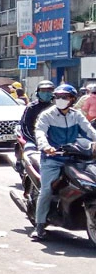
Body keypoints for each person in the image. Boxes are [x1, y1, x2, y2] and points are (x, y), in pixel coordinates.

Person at [33, 84, 96, 239]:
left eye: (65, 97)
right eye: (58, 97)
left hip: (75, 158)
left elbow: (89, 130)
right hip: (53, 159)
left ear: (72, 99)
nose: (61, 100)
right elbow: (40, 132)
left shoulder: (76, 115)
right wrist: (45, 146)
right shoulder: (47, 115)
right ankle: (39, 225)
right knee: (46, 190)